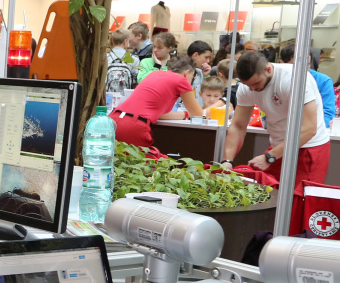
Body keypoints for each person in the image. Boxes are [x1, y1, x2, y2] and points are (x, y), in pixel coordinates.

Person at [226, 51, 330, 181]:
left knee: (298, 193)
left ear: (268, 69)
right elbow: (238, 125)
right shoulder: (247, 87)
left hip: (308, 146)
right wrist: (227, 161)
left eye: (256, 83)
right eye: (247, 85)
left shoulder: (294, 79)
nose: (251, 89)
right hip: (279, 146)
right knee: (266, 188)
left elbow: (309, 129)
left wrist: (270, 156)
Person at [110, 57, 204, 147]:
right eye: (192, 77)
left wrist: (185, 114)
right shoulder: (182, 80)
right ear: (186, 73)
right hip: (134, 126)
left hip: (114, 119)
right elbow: (198, 114)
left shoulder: (155, 73)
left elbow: (159, 114)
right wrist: (213, 105)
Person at [280, 43, 337, 129]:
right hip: (282, 129)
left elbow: (328, 114)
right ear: (282, 63)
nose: (303, 69)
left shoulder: (323, 81)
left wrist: (306, 129)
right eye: (297, 65)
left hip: (313, 131)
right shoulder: (277, 79)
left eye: (307, 64)